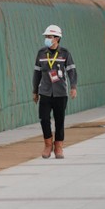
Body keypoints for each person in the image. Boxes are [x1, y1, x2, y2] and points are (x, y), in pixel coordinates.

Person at [32, 25, 77, 159]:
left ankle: (58, 147)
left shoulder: (65, 53)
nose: (47, 39)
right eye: (46, 37)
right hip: (45, 92)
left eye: (49, 37)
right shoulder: (41, 53)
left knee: (59, 121)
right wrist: (35, 91)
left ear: (57, 38)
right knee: (44, 119)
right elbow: (37, 73)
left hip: (60, 93)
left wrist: (73, 87)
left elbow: (71, 71)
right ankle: (47, 145)